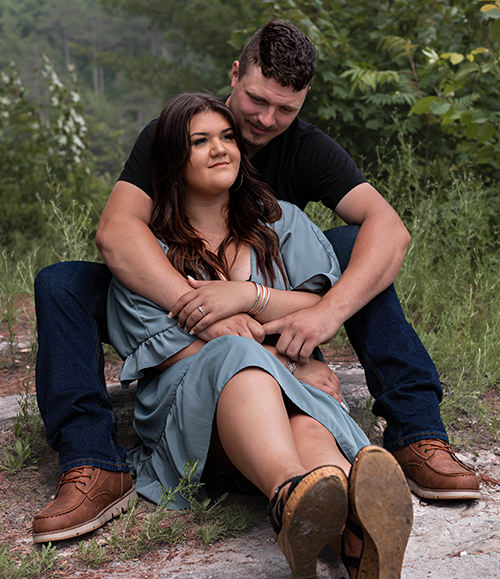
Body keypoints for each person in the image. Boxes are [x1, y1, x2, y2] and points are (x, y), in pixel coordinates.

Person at [32, 20, 479, 545]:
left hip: (274, 288)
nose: (267, 120)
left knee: (357, 248)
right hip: (169, 285)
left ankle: (416, 433)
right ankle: (93, 462)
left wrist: (324, 313)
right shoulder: (173, 133)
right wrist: (202, 307)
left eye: (286, 109)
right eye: (257, 101)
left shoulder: (304, 157)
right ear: (236, 74)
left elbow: (390, 230)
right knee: (62, 283)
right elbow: (116, 231)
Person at [106, 92, 413, 579]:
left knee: (309, 426)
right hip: (199, 422)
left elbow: (317, 304)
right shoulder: (148, 254)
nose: (220, 148)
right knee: (238, 361)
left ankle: (357, 538)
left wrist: (249, 300)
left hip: (281, 400)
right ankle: (288, 493)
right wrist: (271, 355)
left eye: (226, 137)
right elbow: (170, 356)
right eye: (199, 141)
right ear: (171, 162)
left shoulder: (279, 221)